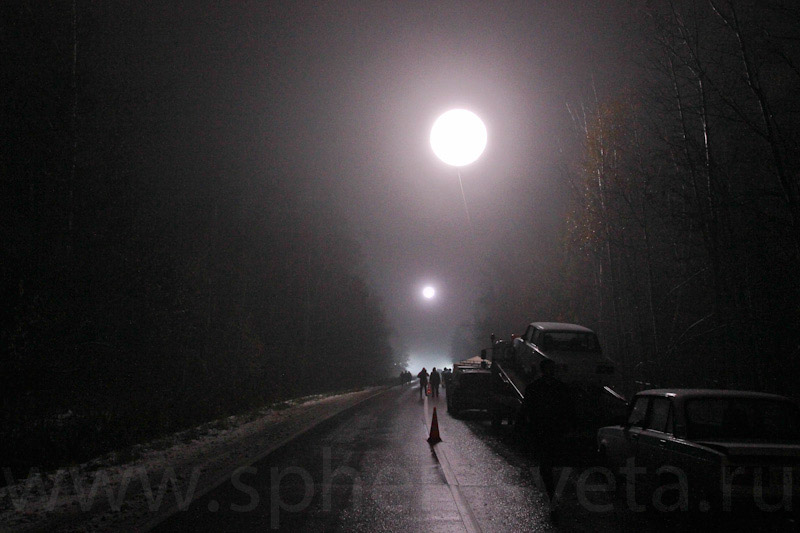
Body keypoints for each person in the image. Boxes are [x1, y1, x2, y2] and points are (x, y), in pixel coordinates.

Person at [521, 359, 574, 513]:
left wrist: (525, 428)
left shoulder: (534, 387)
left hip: (541, 429)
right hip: (555, 429)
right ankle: (554, 490)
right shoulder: (561, 388)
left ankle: (551, 491)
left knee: (545, 462)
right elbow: (569, 409)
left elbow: (526, 410)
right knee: (553, 460)